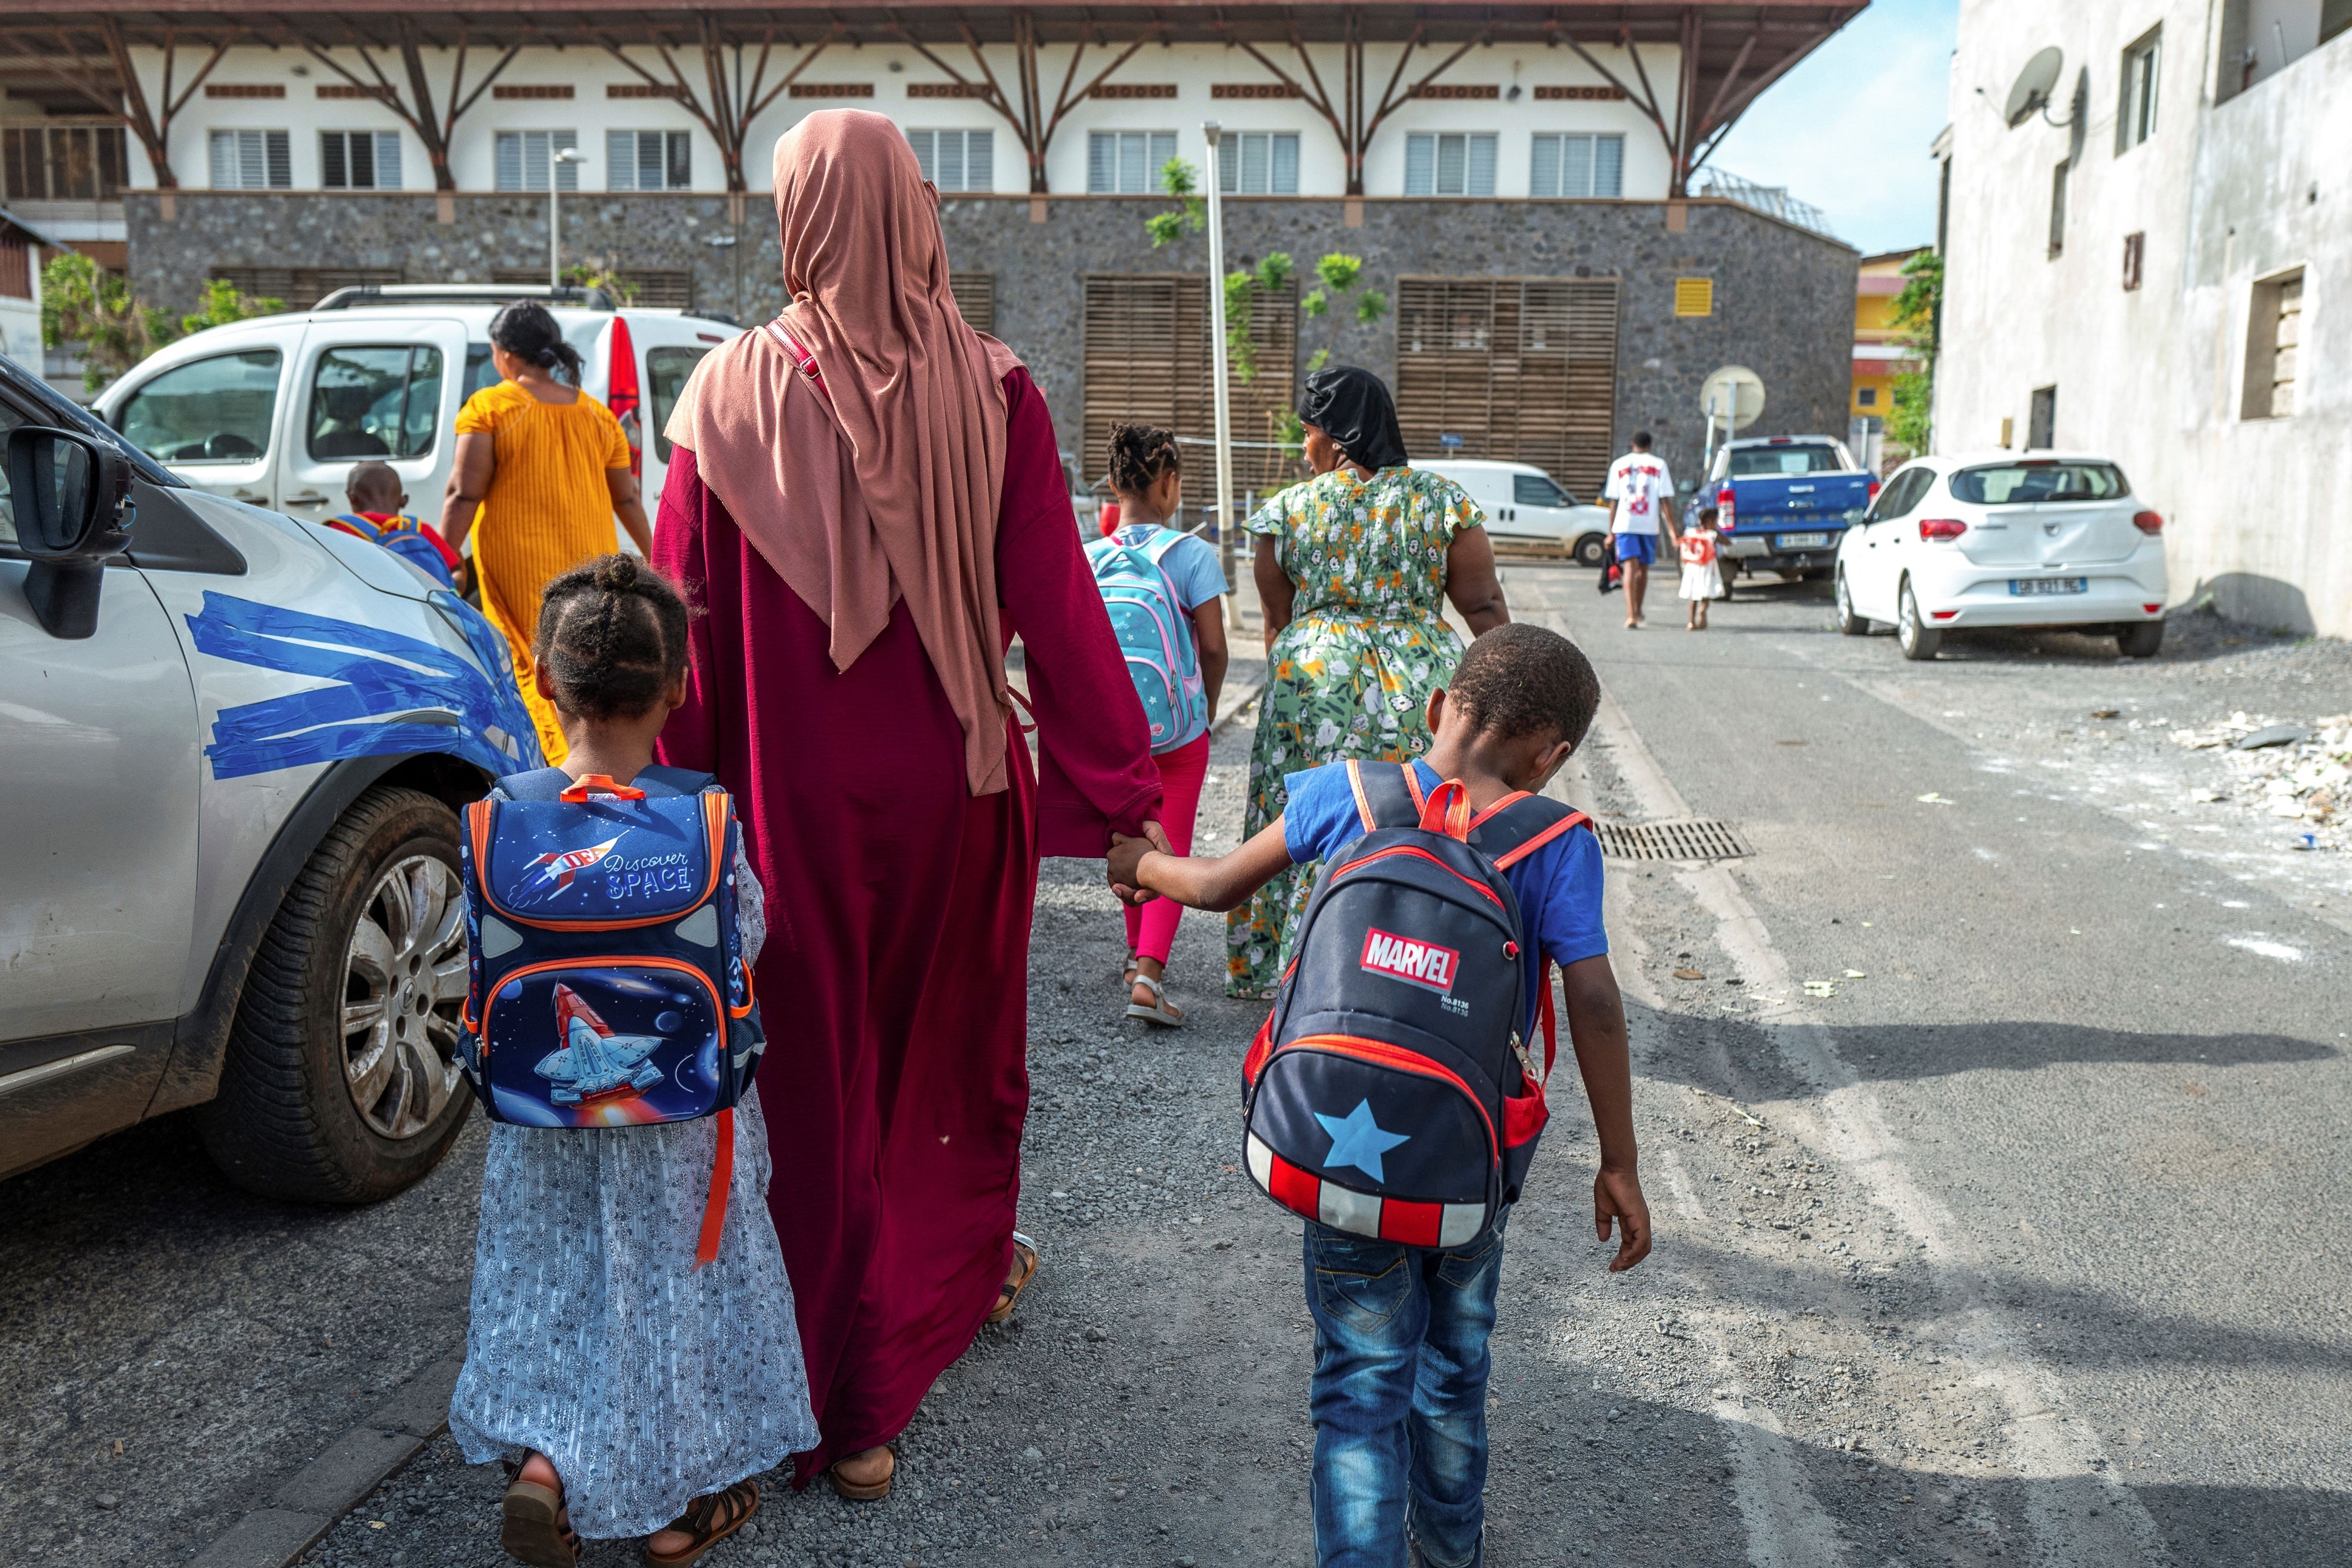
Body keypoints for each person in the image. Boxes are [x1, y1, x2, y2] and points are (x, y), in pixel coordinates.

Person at [650, 110, 1166, 1501]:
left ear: (798, 216)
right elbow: (1060, 613)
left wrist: (663, 817)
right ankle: (886, 1383)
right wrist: (1125, 804)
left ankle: (819, 1392)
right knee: (931, 1069)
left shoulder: (723, 401)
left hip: (781, 806)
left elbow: (681, 639)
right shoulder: (996, 389)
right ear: (915, 213)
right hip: (956, 792)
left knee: (810, 1086)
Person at [1105, 624, 1652, 1568]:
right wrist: (1620, 1161)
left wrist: (1138, 863)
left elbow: (1219, 884)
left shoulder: (1350, 791)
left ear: (1439, 706)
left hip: (1339, 1139)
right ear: (1552, 756)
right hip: (1468, 1163)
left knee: (1360, 1383)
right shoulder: (1555, 841)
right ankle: (1448, 1548)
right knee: (1455, 1366)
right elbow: (1595, 997)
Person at [449, 556, 817, 1568]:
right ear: (679, 687)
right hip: (684, 1124)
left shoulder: (499, 815)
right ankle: (670, 1512)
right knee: (671, 1292)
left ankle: (547, 1467)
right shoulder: (702, 816)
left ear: (542, 676)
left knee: (559, 1285)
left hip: (545, 1123)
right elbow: (741, 938)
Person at [1231, 365, 1509, 999]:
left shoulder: (1289, 510)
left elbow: (1276, 621)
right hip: (1423, 689)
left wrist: (1299, 682)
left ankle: (1293, 966)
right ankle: (1416, 959)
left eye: (1308, 434)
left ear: (1337, 436)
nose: (1304, 449)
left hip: (1311, 682)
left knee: (1301, 815)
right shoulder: (1442, 501)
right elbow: (1484, 608)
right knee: (1414, 813)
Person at [438, 300, 652, 766]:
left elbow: (462, 493)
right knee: (589, 674)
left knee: (536, 669)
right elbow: (628, 497)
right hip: (592, 575)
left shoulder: (493, 406)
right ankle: (605, 773)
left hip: (526, 579)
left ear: (506, 355)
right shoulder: (596, 415)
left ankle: (560, 780)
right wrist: (657, 557)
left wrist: (437, 557)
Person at [1094, 422, 1228, 1027]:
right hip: (1178, 734)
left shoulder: (1088, 559)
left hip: (1112, 734)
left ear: (1115, 484)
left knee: (1127, 836)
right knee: (1168, 841)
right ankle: (1149, 976)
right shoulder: (1193, 555)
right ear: (1169, 483)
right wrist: (1207, 710)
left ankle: (1131, 955)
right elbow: (1217, 648)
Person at [326, 459, 465, 591]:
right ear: (404, 500)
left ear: (352, 498)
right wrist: (451, 594)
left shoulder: (341, 529)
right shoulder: (420, 529)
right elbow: (457, 569)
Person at [1602, 431, 1675, 630]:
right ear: (1650, 446)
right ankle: (1638, 609)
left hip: (1625, 525)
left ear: (1632, 444)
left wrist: (1610, 533)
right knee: (1643, 570)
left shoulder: (1618, 465)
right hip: (1649, 526)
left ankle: (1631, 614)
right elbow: (1665, 500)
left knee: (1630, 568)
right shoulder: (1659, 465)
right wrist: (1672, 531)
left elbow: (1613, 503)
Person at [1679, 503, 1724, 630]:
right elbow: (1727, 542)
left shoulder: (1691, 532)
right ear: (1711, 521)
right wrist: (1716, 531)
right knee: (1706, 593)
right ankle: (1703, 609)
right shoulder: (1712, 534)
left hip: (1692, 568)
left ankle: (1691, 622)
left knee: (1694, 596)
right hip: (1707, 568)